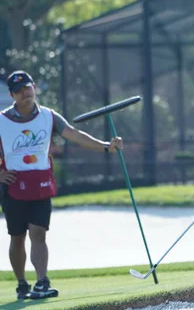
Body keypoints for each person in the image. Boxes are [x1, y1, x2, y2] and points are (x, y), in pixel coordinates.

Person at [0, 70, 124, 300]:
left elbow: (75, 135)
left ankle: (42, 282)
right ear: (12, 95)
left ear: (34, 87)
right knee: (17, 237)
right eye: (18, 91)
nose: (24, 93)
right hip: (13, 186)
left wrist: (106, 146)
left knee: (38, 233)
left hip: (41, 183)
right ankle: (21, 283)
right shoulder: (2, 120)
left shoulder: (49, 116)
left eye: (27, 88)